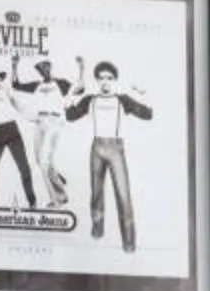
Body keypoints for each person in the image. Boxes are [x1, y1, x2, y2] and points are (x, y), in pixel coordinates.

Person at [66, 58, 154, 253]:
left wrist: (142, 93)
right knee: (96, 193)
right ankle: (97, 229)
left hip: (115, 149)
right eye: (101, 78)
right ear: (97, 80)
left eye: (109, 78)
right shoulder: (90, 99)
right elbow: (70, 116)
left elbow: (148, 114)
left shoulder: (122, 99)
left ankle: (129, 244)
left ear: (115, 80)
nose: (105, 81)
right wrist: (71, 93)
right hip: (97, 147)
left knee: (123, 195)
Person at [0, 69, 38, 211]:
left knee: (23, 166)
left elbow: (19, 106)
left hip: (11, 130)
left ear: (0, 78)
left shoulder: (6, 90)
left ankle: (32, 200)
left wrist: (32, 117)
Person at [17, 55, 73, 207]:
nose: (44, 69)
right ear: (39, 71)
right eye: (40, 68)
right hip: (40, 122)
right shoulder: (37, 85)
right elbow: (16, 85)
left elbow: (79, 89)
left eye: (46, 66)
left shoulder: (61, 83)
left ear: (50, 66)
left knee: (44, 163)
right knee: (39, 160)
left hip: (53, 123)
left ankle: (57, 200)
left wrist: (81, 68)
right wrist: (14, 66)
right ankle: (58, 182)